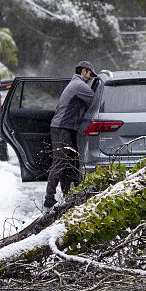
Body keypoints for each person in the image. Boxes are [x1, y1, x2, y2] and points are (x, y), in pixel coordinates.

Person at [44, 60, 96, 209]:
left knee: (65, 163)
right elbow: (97, 101)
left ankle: (66, 196)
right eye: (90, 74)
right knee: (60, 162)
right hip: (62, 128)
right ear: (84, 71)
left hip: (62, 127)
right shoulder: (80, 86)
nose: (91, 77)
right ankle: (49, 199)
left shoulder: (74, 84)